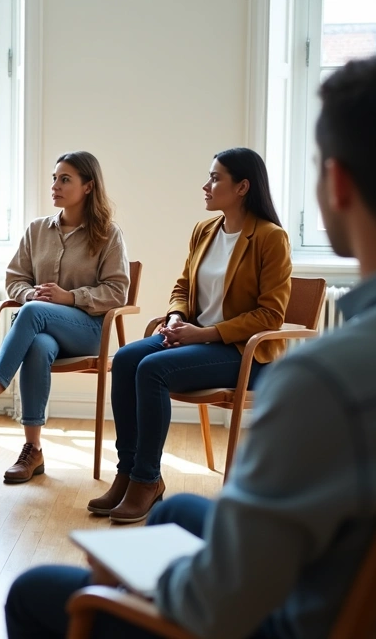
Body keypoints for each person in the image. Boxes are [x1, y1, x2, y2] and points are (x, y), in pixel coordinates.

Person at [4, 49, 376, 639]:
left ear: (337, 183)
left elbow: (215, 607)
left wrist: (130, 576)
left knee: (36, 591)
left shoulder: (325, 383)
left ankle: (140, 499)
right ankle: (141, 481)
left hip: (293, 622)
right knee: (179, 512)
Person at [91, 148, 292, 524]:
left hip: (241, 353)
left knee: (152, 369)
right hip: (195, 337)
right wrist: (176, 317)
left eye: (216, 178)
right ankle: (128, 471)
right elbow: (182, 286)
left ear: (243, 187)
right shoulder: (205, 231)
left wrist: (205, 332)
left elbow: (271, 315)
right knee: (127, 359)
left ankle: (146, 480)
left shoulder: (270, 238)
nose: (206, 185)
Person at [0, 151, 129, 483]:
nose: (55, 185)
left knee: (32, 315)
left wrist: (69, 297)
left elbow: (117, 292)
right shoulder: (37, 230)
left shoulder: (108, 234)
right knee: (38, 345)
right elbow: (15, 279)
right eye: (54, 178)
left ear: (88, 186)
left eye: (65, 179)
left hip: (85, 332)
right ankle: (33, 450)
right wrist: (30, 294)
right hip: (42, 330)